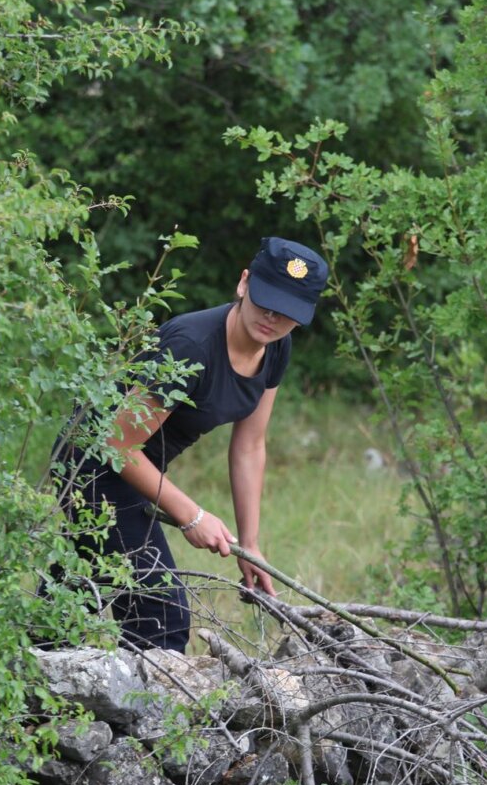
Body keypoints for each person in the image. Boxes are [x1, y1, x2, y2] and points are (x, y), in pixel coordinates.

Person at [51, 237, 329, 652]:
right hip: (93, 464)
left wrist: (249, 545)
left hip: (138, 467)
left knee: (72, 596)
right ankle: (147, 697)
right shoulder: (191, 345)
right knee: (161, 618)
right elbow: (116, 444)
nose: (272, 318)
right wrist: (192, 516)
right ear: (244, 283)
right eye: (266, 301)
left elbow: (250, 445)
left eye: (287, 311)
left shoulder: (275, 347)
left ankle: (24, 672)